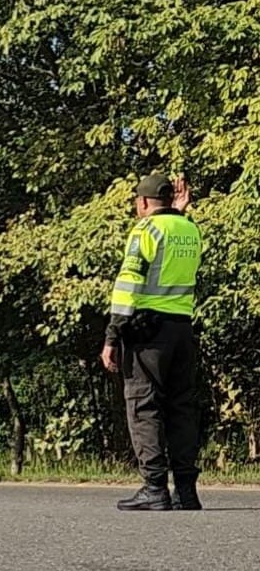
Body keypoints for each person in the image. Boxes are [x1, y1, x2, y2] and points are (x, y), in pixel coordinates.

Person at [101, 173, 202, 511]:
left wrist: (112, 336)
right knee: (182, 407)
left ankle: (154, 487)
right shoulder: (189, 228)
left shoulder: (145, 230)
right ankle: (186, 491)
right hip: (183, 329)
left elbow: (128, 283)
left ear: (143, 202)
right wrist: (181, 213)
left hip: (149, 333)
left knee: (144, 405)